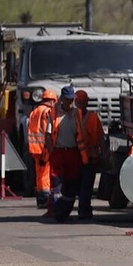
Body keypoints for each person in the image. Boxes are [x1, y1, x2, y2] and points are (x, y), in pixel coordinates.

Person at [45, 85, 92, 222]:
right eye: (68, 100)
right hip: (58, 152)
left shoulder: (77, 113)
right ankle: (56, 210)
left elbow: (80, 133)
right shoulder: (54, 113)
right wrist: (51, 151)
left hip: (73, 153)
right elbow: (48, 135)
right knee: (57, 184)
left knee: (72, 184)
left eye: (72, 100)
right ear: (62, 99)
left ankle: (64, 211)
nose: (71, 102)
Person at [72, 90, 105, 220]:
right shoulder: (88, 117)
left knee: (83, 185)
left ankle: (83, 209)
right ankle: (84, 209)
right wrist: (103, 153)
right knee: (85, 185)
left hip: (85, 156)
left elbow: (101, 137)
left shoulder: (75, 117)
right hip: (83, 157)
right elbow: (101, 138)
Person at [25, 89, 58, 209]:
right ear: (53, 101)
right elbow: (48, 132)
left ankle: (41, 197)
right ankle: (45, 197)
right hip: (44, 147)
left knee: (39, 173)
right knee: (46, 174)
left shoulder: (34, 112)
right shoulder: (48, 112)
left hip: (34, 148)